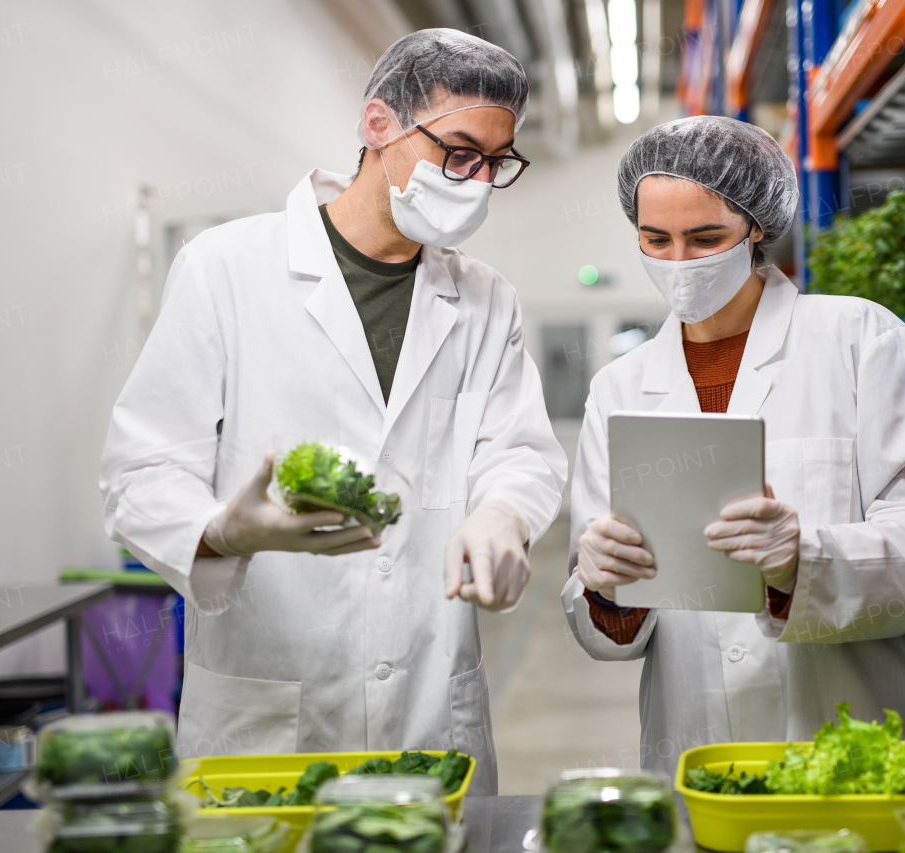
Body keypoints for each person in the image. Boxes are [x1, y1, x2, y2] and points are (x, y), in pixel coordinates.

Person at [99, 30, 566, 793]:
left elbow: (518, 448)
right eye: (457, 153)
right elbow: (140, 468)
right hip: (268, 704)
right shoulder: (226, 269)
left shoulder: (486, 299)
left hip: (428, 702)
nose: (476, 181)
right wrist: (219, 533)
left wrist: (504, 511)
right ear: (378, 124)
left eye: (495, 162)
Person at [561, 116, 905, 778]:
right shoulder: (620, 388)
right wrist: (606, 587)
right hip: (700, 756)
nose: (678, 263)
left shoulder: (862, 340)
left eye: (704, 238)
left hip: (853, 746)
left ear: (755, 226)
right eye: (654, 239)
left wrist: (804, 562)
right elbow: (606, 624)